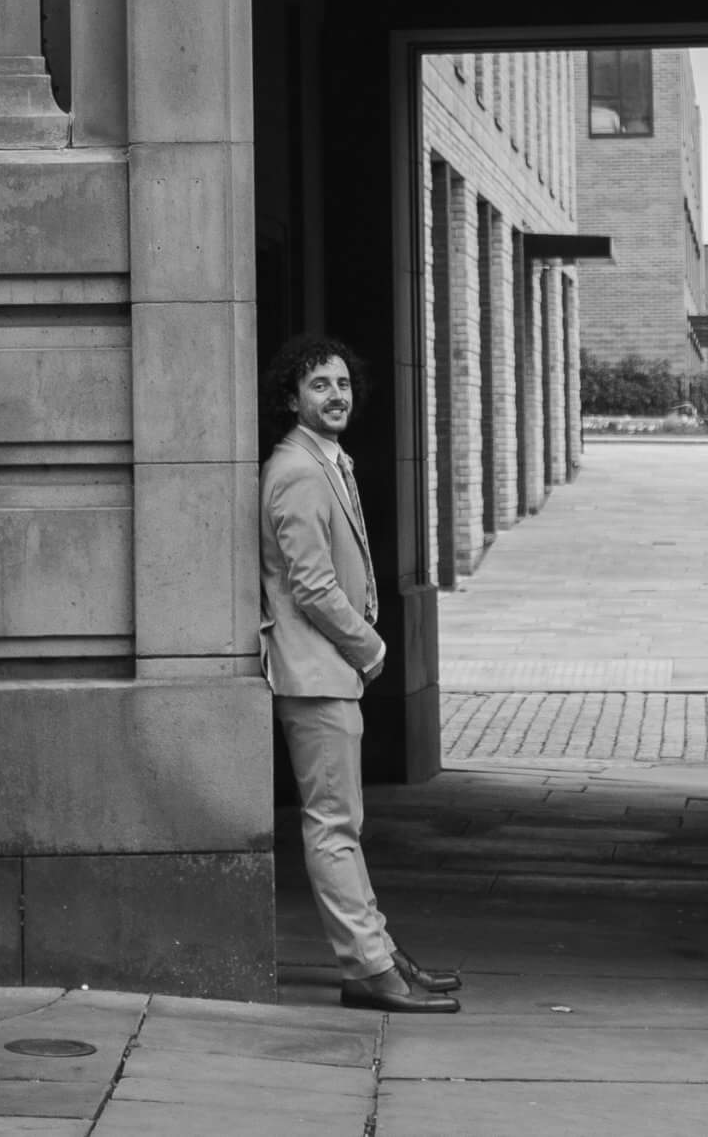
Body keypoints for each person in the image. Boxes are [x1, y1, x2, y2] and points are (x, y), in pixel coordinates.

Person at [259, 331, 463, 1015]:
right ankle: (368, 968)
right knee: (333, 825)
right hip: (315, 673)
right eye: (319, 384)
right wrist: (371, 648)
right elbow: (312, 585)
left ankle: (379, 952)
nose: (336, 394)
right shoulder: (296, 469)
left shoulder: (328, 461)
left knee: (343, 820)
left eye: (343, 383)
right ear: (292, 396)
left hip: (327, 673)